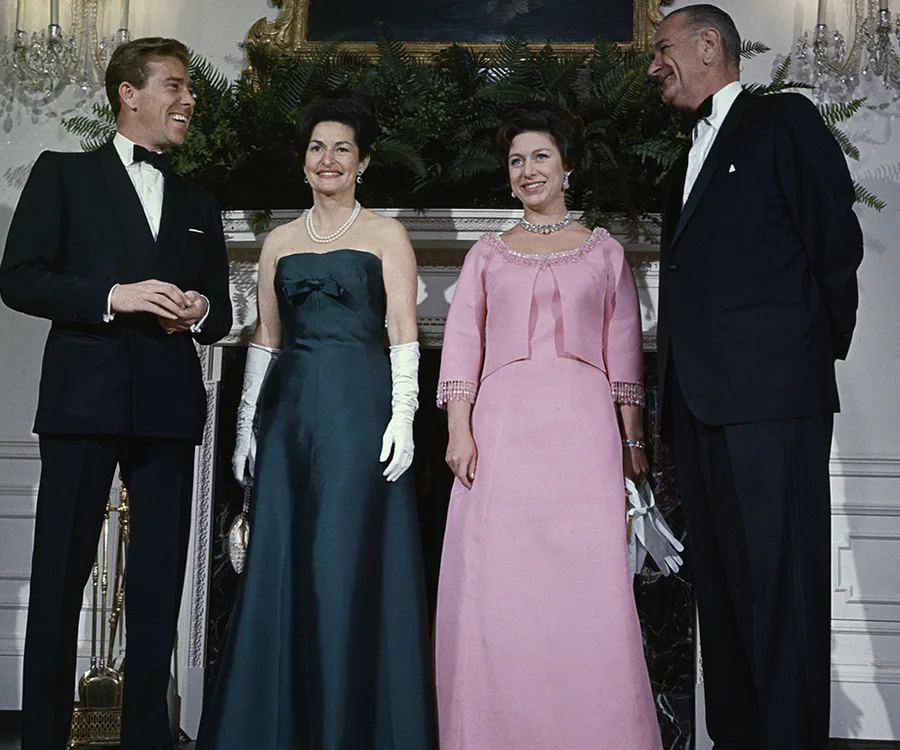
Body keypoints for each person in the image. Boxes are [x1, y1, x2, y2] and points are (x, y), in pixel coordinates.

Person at [0, 38, 233, 750]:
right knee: (60, 573)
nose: (189, 99)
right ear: (129, 94)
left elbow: (222, 309)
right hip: (83, 400)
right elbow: (19, 277)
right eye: (175, 85)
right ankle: (40, 736)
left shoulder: (199, 200)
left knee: (159, 583)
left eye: (191, 86)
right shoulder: (63, 175)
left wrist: (199, 309)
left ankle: (145, 739)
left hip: (168, 408)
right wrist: (114, 295)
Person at [648, 6, 864, 750]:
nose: (654, 66)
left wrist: (802, 356)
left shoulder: (784, 122)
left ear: (711, 45)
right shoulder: (684, 161)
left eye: (663, 49)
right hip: (699, 406)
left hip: (774, 399)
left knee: (780, 594)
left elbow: (835, 240)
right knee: (728, 600)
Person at [194, 90, 435, 749]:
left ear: (363, 163)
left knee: (343, 561)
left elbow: (405, 336)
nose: (327, 159)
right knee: (284, 563)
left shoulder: (387, 234)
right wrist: (246, 429)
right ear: (303, 162)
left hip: (361, 414)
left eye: (342, 149)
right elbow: (265, 340)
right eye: (316, 148)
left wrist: (404, 418)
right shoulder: (278, 242)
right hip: (291, 416)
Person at [434, 101, 662, 750]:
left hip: (584, 439)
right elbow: (460, 348)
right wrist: (459, 429)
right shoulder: (486, 255)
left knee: (588, 593)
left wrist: (633, 441)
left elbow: (624, 356)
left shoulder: (605, 251)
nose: (528, 170)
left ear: (567, 164)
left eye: (540, 156)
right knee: (498, 590)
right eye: (516, 160)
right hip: (501, 434)